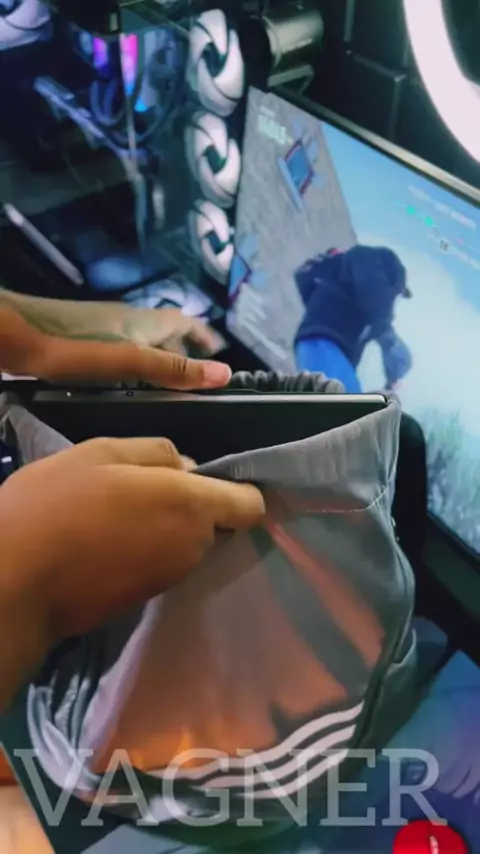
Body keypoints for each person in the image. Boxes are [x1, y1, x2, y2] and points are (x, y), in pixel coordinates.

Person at [294, 244, 413, 392]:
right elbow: (393, 349)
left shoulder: (339, 272)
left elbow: (303, 280)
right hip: (326, 347)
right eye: (397, 293)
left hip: (312, 345)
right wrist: (386, 334)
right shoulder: (378, 273)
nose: (393, 299)